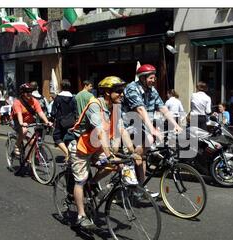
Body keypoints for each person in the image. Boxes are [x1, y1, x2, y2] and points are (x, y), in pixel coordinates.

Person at [70, 76, 139, 229]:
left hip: (97, 147)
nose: (122, 94)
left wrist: (133, 152)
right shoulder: (95, 104)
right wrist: (109, 156)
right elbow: (100, 132)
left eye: (123, 91)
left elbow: (121, 130)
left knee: (115, 166)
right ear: (107, 93)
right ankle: (81, 216)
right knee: (80, 181)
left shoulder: (116, 106)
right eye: (119, 91)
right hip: (82, 147)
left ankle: (93, 183)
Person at [122, 64, 182, 190]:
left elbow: (163, 108)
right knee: (142, 150)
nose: (153, 80)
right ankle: (129, 170)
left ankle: (140, 186)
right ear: (142, 78)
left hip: (142, 125)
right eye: (151, 78)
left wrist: (175, 124)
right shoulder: (132, 88)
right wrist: (153, 129)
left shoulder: (152, 90)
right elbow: (140, 109)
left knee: (142, 155)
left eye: (154, 78)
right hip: (128, 125)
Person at [10, 83, 53, 157]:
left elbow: (40, 113)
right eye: (27, 92)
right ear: (23, 93)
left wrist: (47, 122)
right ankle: (16, 146)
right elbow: (19, 114)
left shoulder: (35, 101)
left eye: (31, 91)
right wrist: (21, 123)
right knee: (24, 131)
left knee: (33, 142)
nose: (30, 93)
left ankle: (30, 160)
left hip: (29, 123)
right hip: (17, 121)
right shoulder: (17, 102)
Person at [51, 79, 76, 162]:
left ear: (61, 87)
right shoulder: (73, 98)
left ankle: (67, 153)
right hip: (71, 121)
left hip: (60, 121)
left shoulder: (58, 98)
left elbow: (53, 112)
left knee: (56, 137)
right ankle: (71, 154)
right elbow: (75, 110)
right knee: (68, 137)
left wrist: (52, 118)